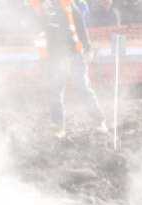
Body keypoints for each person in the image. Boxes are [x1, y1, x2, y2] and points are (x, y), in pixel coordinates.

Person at [29, 0, 107, 136]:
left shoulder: (66, 3)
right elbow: (39, 33)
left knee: (82, 87)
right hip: (55, 58)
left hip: (73, 54)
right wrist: (44, 59)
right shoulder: (38, 7)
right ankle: (58, 127)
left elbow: (79, 23)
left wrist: (88, 47)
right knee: (55, 91)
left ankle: (99, 121)